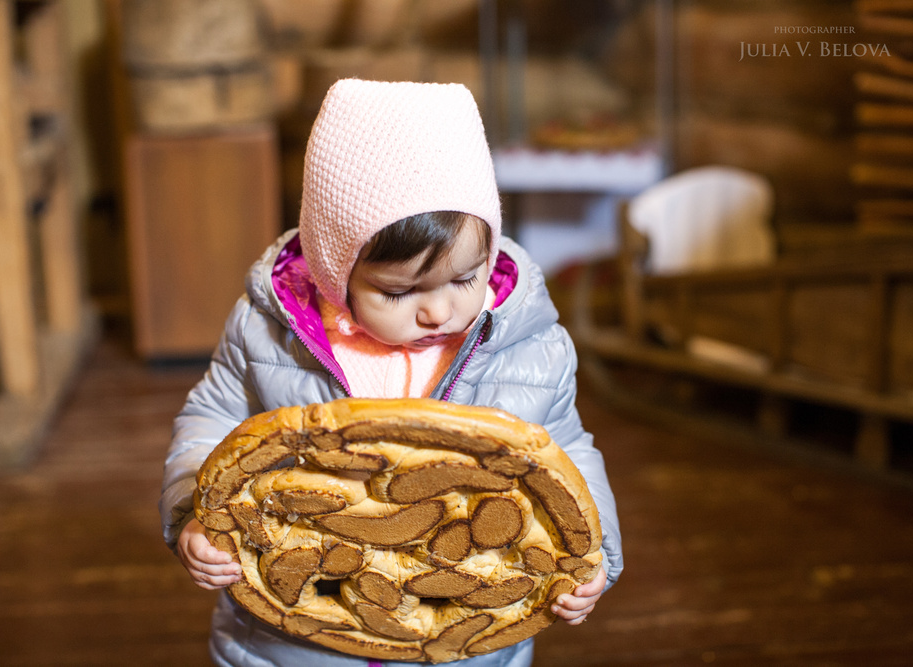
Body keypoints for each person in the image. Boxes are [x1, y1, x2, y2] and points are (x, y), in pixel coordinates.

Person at [160, 78, 623, 667]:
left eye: (464, 279)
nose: (437, 310)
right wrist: (192, 514)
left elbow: (569, 451)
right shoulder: (268, 331)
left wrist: (597, 554)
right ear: (335, 271)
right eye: (398, 291)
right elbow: (212, 418)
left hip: (465, 622)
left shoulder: (528, 345)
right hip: (295, 636)